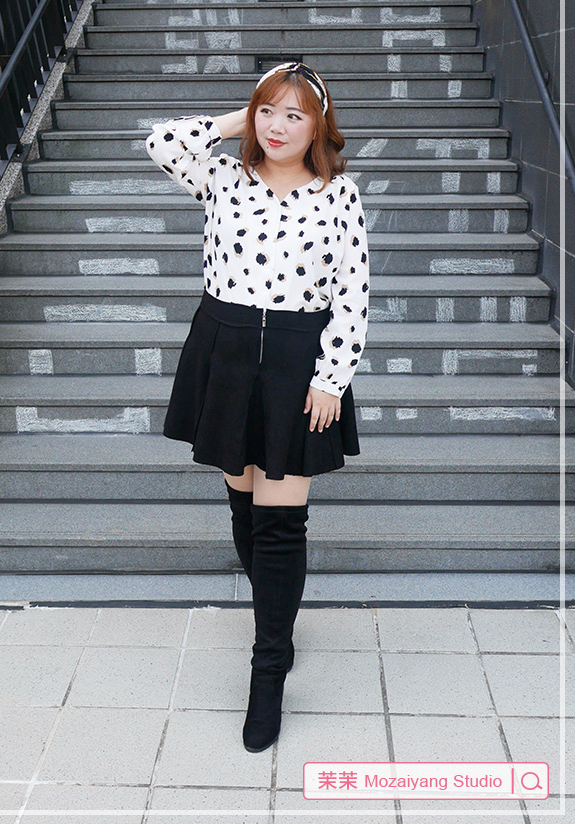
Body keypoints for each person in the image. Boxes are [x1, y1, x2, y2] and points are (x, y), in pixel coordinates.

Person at [145, 61, 370, 753]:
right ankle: (279, 619)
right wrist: (238, 118)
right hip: (226, 350)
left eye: (295, 115)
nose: (277, 126)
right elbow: (161, 142)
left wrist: (331, 379)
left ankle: (267, 668)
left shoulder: (339, 194)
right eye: (268, 111)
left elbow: (353, 294)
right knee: (243, 506)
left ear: (319, 126)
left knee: (280, 523)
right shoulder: (223, 177)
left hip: (299, 362)